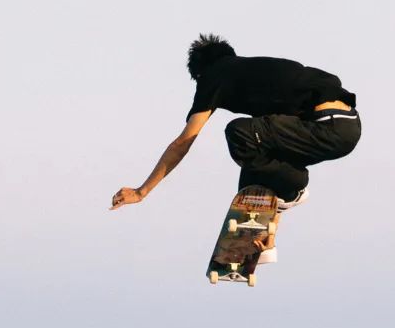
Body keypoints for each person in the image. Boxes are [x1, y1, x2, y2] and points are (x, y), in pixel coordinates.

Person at [110, 35, 361, 260]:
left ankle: (293, 189)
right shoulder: (258, 76)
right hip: (341, 127)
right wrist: (272, 227)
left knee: (240, 134)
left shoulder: (215, 74)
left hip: (328, 125)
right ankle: (265, 242)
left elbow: (182, 142)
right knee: (252, 182)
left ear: (200, 73)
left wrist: (142, 191)